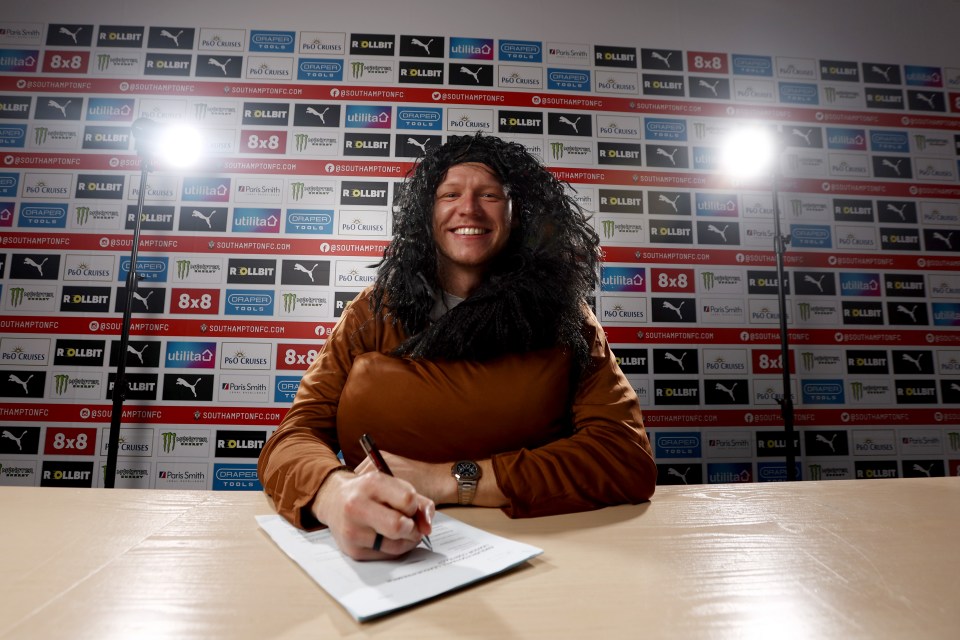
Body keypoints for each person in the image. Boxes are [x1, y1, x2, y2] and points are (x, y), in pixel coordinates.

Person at [258, 133, 656, 560]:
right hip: (387, 546)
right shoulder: (372, 312)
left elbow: (623, 455)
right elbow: (293, 437)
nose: (469, 208)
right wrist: (334, 493)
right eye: (450, 194)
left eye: (489, 195)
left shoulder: (567, 318)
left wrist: (449, 479)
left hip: (540, 544)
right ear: (427, 214)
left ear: (515, 214)